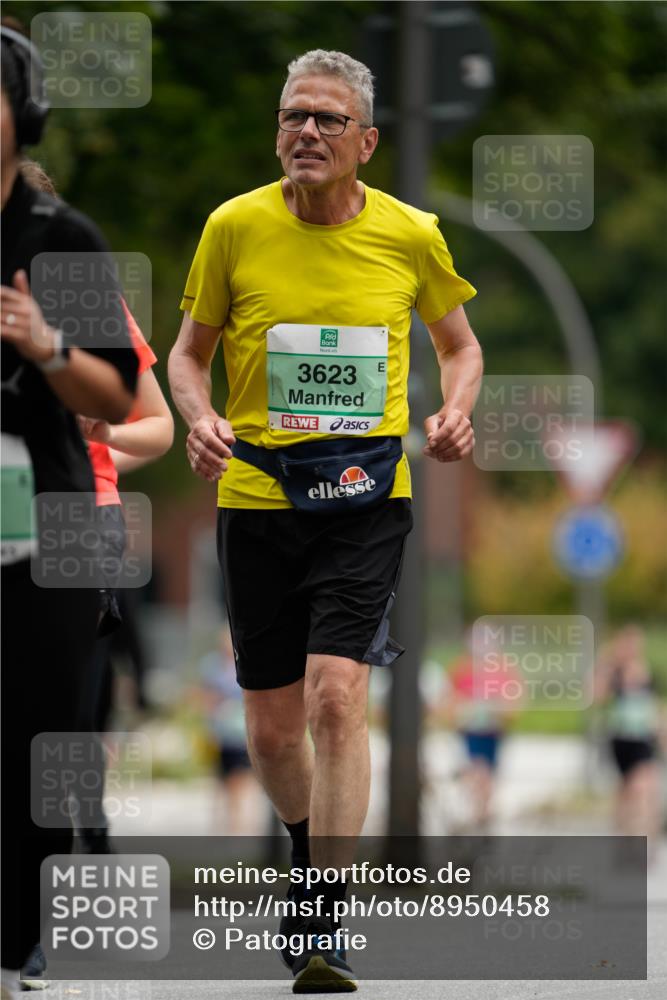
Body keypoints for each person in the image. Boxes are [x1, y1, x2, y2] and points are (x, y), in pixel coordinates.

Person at [169, 49, 482, 992]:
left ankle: (324, 921)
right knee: (270, 731)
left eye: (327, 120)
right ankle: (308, 856)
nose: (305, 131)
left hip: (364, 498)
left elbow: (459, 345)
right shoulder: (233, 227)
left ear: (367, 143)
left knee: (337, 697)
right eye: (292, 115)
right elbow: (188, 356)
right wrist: (199, 417)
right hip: (256, 497)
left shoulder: (410, 234)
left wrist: (457, 408)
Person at [1, 25, 138, 999]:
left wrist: (47, 346)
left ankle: (18, 934)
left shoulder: (64, 237)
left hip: (39, 529)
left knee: (37, 729)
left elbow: (119, 399)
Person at [596, 625, 665, 852]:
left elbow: (653, 705)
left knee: (646, 788)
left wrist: (662, 731)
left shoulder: (646, 670)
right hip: (620, 739)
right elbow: (596, 696)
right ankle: (623, 839)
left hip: (644, 740)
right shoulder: (612, 672)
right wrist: (606, 665)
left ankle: (647, 841)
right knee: (625, 792)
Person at [198, 626, 257, 834]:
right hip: (222, 732)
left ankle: (238, 823)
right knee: (221, 779)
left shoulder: (246, 663)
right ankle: (223, 822)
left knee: (240, 779)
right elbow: (206, 699)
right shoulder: (212, 667)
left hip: (241, 733)